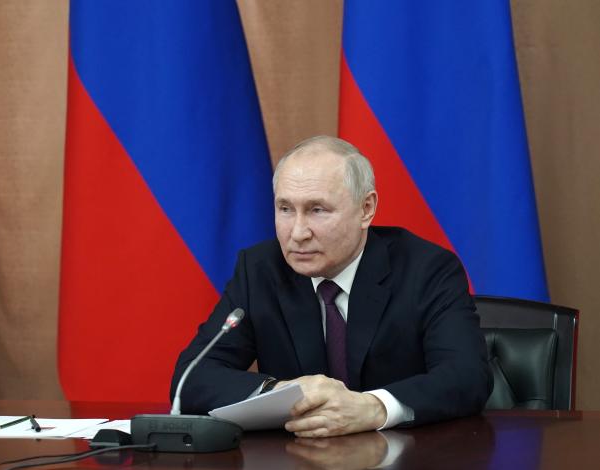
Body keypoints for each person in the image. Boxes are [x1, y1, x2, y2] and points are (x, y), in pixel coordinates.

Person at [171, 135, 492, 437]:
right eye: (285, 209)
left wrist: (375, 408)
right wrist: (279, 393)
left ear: (366, 209)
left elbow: (467, 375)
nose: (297, 232)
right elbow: (191, 379)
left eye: (317, 210)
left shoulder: (427, 269)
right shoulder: (260, 270)